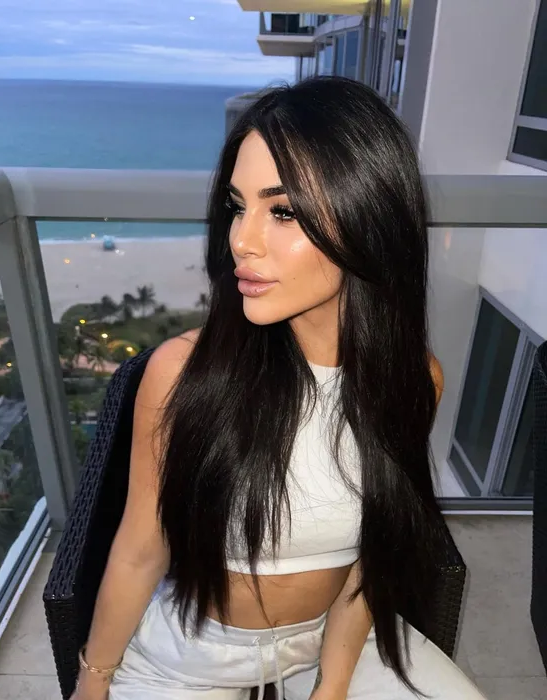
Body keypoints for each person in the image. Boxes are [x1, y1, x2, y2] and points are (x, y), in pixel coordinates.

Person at [73, 77, 487, 700]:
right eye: (237, 206)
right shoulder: (183, 372)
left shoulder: (412, 378)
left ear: (368, 219)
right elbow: (139, 551)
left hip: (333, 639)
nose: (241, 239)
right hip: (192, 655)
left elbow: (370, 557)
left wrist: (334, 684)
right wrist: (93, 679)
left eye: (283, 211)